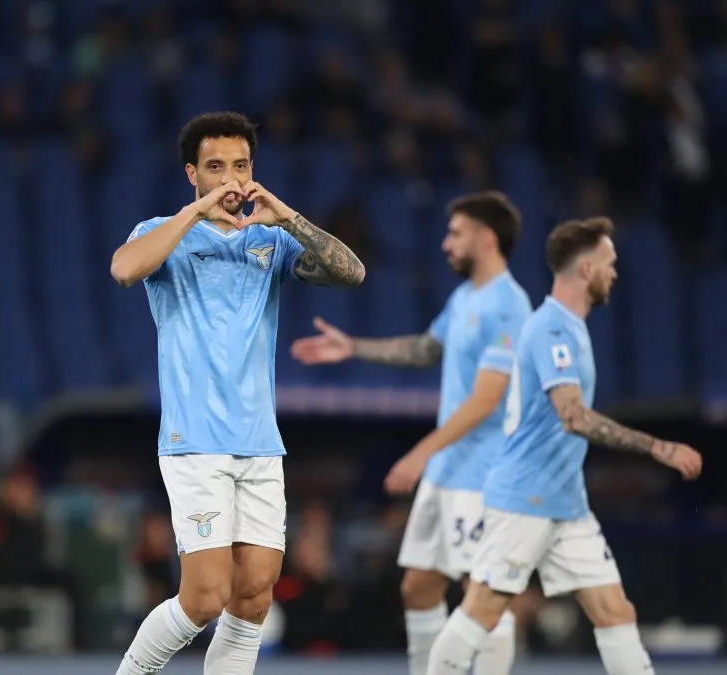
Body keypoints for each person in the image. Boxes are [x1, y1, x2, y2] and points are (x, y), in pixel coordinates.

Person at [109, 111, 365, 675]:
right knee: (204, 597)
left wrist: (289, 217)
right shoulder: (163, 231)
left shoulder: (269, 241)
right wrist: (194, 213)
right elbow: (124, 270)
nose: (230, 178)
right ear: (192, 173)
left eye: (241, 165)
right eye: (216, 167)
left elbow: (352, 273)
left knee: (253, 596)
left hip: (259, 442)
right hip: (195, 440)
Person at [425, 217, 703, 675]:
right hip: (524, 498)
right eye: (609, 263)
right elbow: (572, 415)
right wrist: (658, 447)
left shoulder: (571, 328)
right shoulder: (551, 329)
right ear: (587, 269)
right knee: (482, 612)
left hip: (566, 502)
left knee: (616, 612)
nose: (615, 272)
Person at [290, 191, 531, 675]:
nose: (446, 243)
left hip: (483, 473)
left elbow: (487, 399)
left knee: (482, 592)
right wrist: (353, 347)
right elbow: (425, 349)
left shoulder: (508, 305)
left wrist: (420, 452)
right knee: (418, 587)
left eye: (456, 233)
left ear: (486, 239)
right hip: (449, 470)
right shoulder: (465, 297)